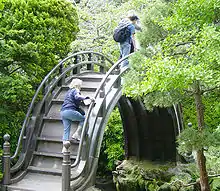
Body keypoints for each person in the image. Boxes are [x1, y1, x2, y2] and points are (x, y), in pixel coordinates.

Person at [60, 78, 94, 151]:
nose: (81, 86)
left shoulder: (68, 92)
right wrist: (88, 97)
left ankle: (64, 148)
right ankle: (77, 134)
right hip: (70, 111)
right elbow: (77, 97)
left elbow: (74, 100)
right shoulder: (76, 90)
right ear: (77, 85)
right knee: (84, 119)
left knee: (66, 130)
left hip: (63, 112)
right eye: (80, 85)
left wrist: (83, 102)